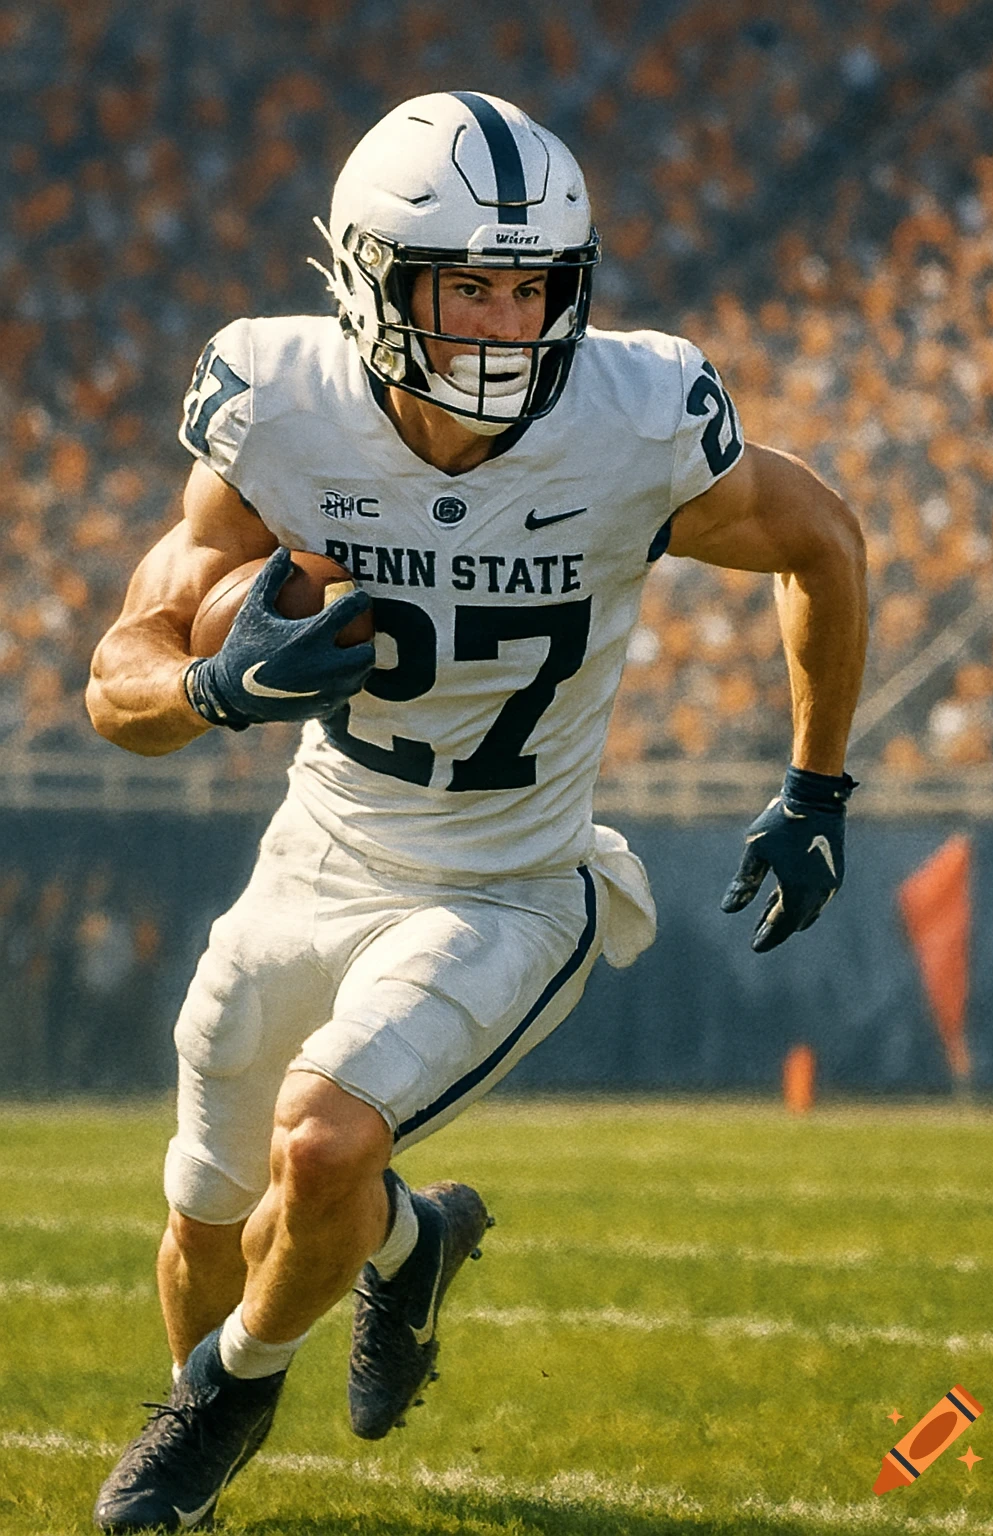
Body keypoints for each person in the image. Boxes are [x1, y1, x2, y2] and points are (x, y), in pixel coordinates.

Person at [86, 91, 867, 1532]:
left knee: (316, 1152)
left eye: (532, 289)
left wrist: (816, 785)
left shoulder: (634, 419)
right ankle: (410, 1252)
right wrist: (217, 687)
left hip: (509, 883)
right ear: (375, 279)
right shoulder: (281, 404)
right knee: (203, 1217)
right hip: (312, 856)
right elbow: (117, 676)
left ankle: (228, 1396)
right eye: (469, 290)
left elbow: (820, 535)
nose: (506, 327)